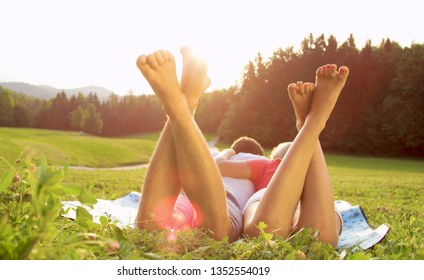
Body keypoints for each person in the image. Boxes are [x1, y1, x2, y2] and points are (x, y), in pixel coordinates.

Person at [135, 47, 349, 246]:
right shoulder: (262, 166)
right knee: (215, 234)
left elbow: (211, 166)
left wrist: (229, 152)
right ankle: (312, 124)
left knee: (150, 229)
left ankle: (184, 104)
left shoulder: (254, 164)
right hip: (226, 201)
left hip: (209, 196)